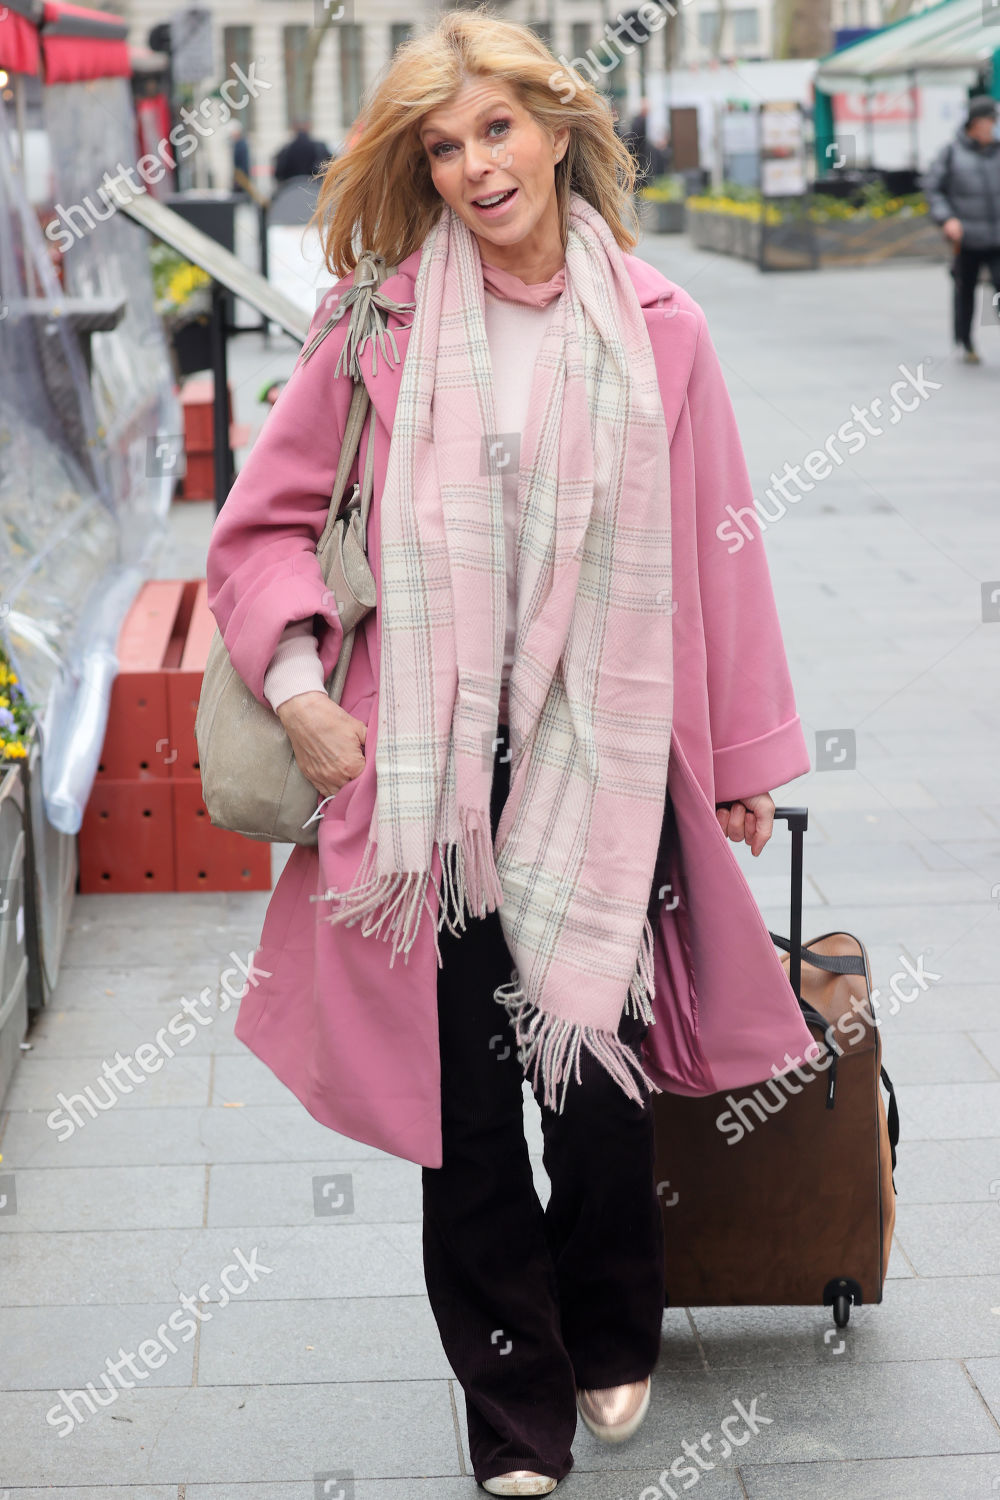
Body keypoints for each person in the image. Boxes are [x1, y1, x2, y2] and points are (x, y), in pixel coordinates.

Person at [205, 11, 818, 1495]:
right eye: (444, 144)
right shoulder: (379, 328)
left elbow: (718, 550)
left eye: (498, 131)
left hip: (609, 764)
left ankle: (611, 1325)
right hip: (432, 785)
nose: (477, 166)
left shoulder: (664, 325)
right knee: (469, 1116)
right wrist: (295, 683)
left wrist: (743, 756)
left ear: (556, 131)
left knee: (598, 1093)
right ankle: (509, 1406)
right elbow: (263, 531)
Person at [924, 95, 1000, 364]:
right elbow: (933, 190)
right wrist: (947, 219)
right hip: (966, 236)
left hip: (997, 236)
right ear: (975, 123)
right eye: (989, 121)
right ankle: (965, 342)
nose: (992, 126)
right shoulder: (952, 152)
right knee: (964, 290)